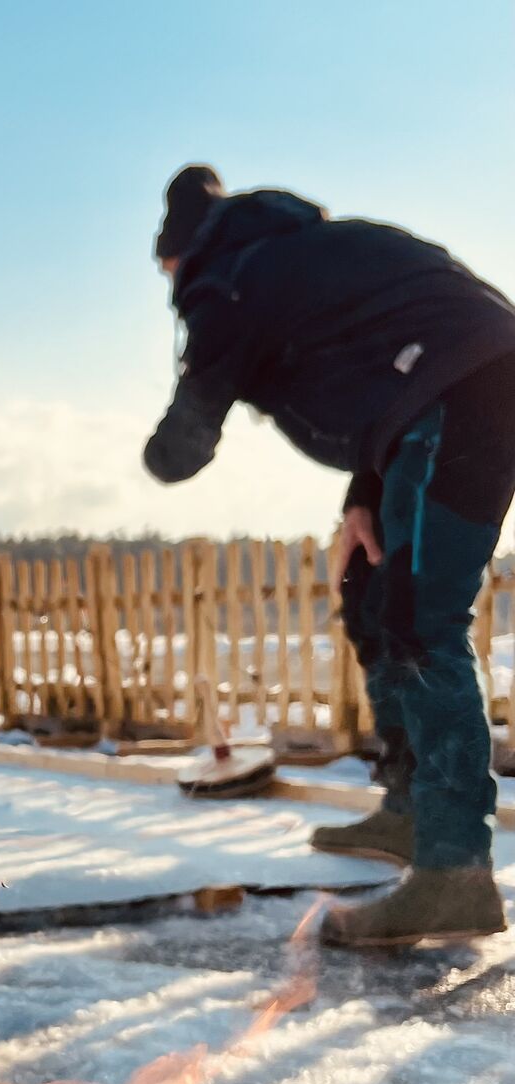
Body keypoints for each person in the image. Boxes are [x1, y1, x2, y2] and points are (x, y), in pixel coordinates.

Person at [144, 165, 515, 947]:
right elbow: (388, 368)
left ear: (182, 252)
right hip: (438, 398)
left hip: (468, 393)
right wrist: (364, 497)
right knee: (371, 592)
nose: (169, 280)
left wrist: (158, 455)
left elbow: (189, 430)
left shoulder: (232, 279)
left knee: (422, 621)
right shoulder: (294, 258)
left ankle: (456, 871)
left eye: (166, 266)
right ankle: (412, 812)